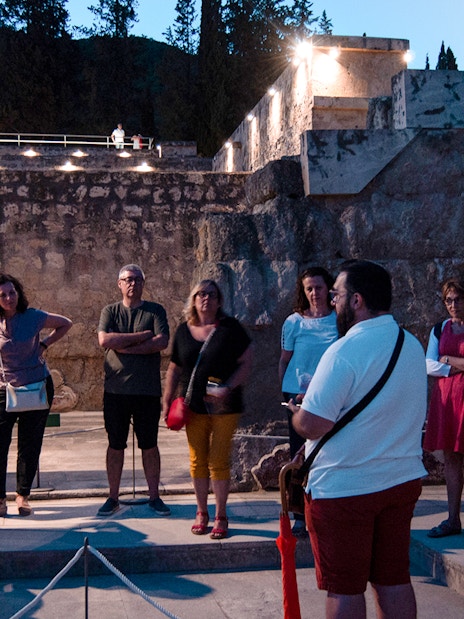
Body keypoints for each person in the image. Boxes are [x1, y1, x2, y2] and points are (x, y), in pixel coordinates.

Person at [288, 260, 427, 619]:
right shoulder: (410, 344)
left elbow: (315, 423)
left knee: (345, 587)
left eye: (337, 295)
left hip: (345, 488)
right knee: (394, 578)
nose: (332, 302)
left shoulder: (343, 350)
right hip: (400, 480)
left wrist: (297, 414)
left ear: (357, 301)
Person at [162, 279, 252, 539]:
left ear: (219, 300)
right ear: (193, 299)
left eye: (212, 295)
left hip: (225, 406)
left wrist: (228, 387)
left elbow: (246, 362)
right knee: (197, 460)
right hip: (194, 406)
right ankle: (201, 512)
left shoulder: (230, 328)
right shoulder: (183, 331)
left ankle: (221, 514)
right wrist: (167, 399)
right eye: (201, 294)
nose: (206, 299)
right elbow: (175, 368)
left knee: (219, 461)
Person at [97, 264, 170, 517]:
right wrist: (142, 337)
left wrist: (125, 346)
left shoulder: (155, 310)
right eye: (128, 279)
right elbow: (105, 340)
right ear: (119, 283)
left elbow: (161, 342)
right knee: (115, 445)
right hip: (116, 391)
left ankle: (154, 496)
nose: (133, 284)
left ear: (143, 283)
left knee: (149, 444)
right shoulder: (110, 311)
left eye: (137, 279)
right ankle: (112, 497)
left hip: (146, 391)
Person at [0, 274, 72, 517]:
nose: (9, 298)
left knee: (29, 445)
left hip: (36, 387)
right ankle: (0, 499)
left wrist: (44, 345)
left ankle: (22, 496)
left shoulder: (32, 317)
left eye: (12, 292)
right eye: (3, 295)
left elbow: (65, 323)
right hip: (5, 389)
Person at [278, 267, 338, 536]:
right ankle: (299, 514)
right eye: (309, 289)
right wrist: (287, 392)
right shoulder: (293, 322)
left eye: (319, 287)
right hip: (297, 394)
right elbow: (285, 359)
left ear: (329, 289)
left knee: (330, 451)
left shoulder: (340, 320)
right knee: (298, 454)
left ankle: (328, 509)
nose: (315, 293)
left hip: (330, 392)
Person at [423, 277, 464, 538]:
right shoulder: (439, 329)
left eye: (458, 299)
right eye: (448, 300)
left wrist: (449, 359)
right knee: (451, 457)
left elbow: (439, 361)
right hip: (448, 401)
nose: (453, 304)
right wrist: (454, 365)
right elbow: (429, 365)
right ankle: (452, 518)